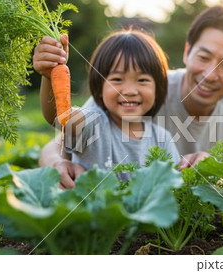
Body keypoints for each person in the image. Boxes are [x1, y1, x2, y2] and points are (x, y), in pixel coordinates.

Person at [35, 5, 223, 188]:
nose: (210, 74)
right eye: (204, 57)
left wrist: (212, 172)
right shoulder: (114, 99)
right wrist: (50, 76)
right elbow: (61, 126)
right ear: (187, 51)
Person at [35, 29, 180, 186]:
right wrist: (51, 76)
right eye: (117, 79)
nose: (129, 91)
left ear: (157, 89)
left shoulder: (163, 139)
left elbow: (174, 188)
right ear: (100, 87)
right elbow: (59, 117)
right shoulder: (93, 123)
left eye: (143, 80)